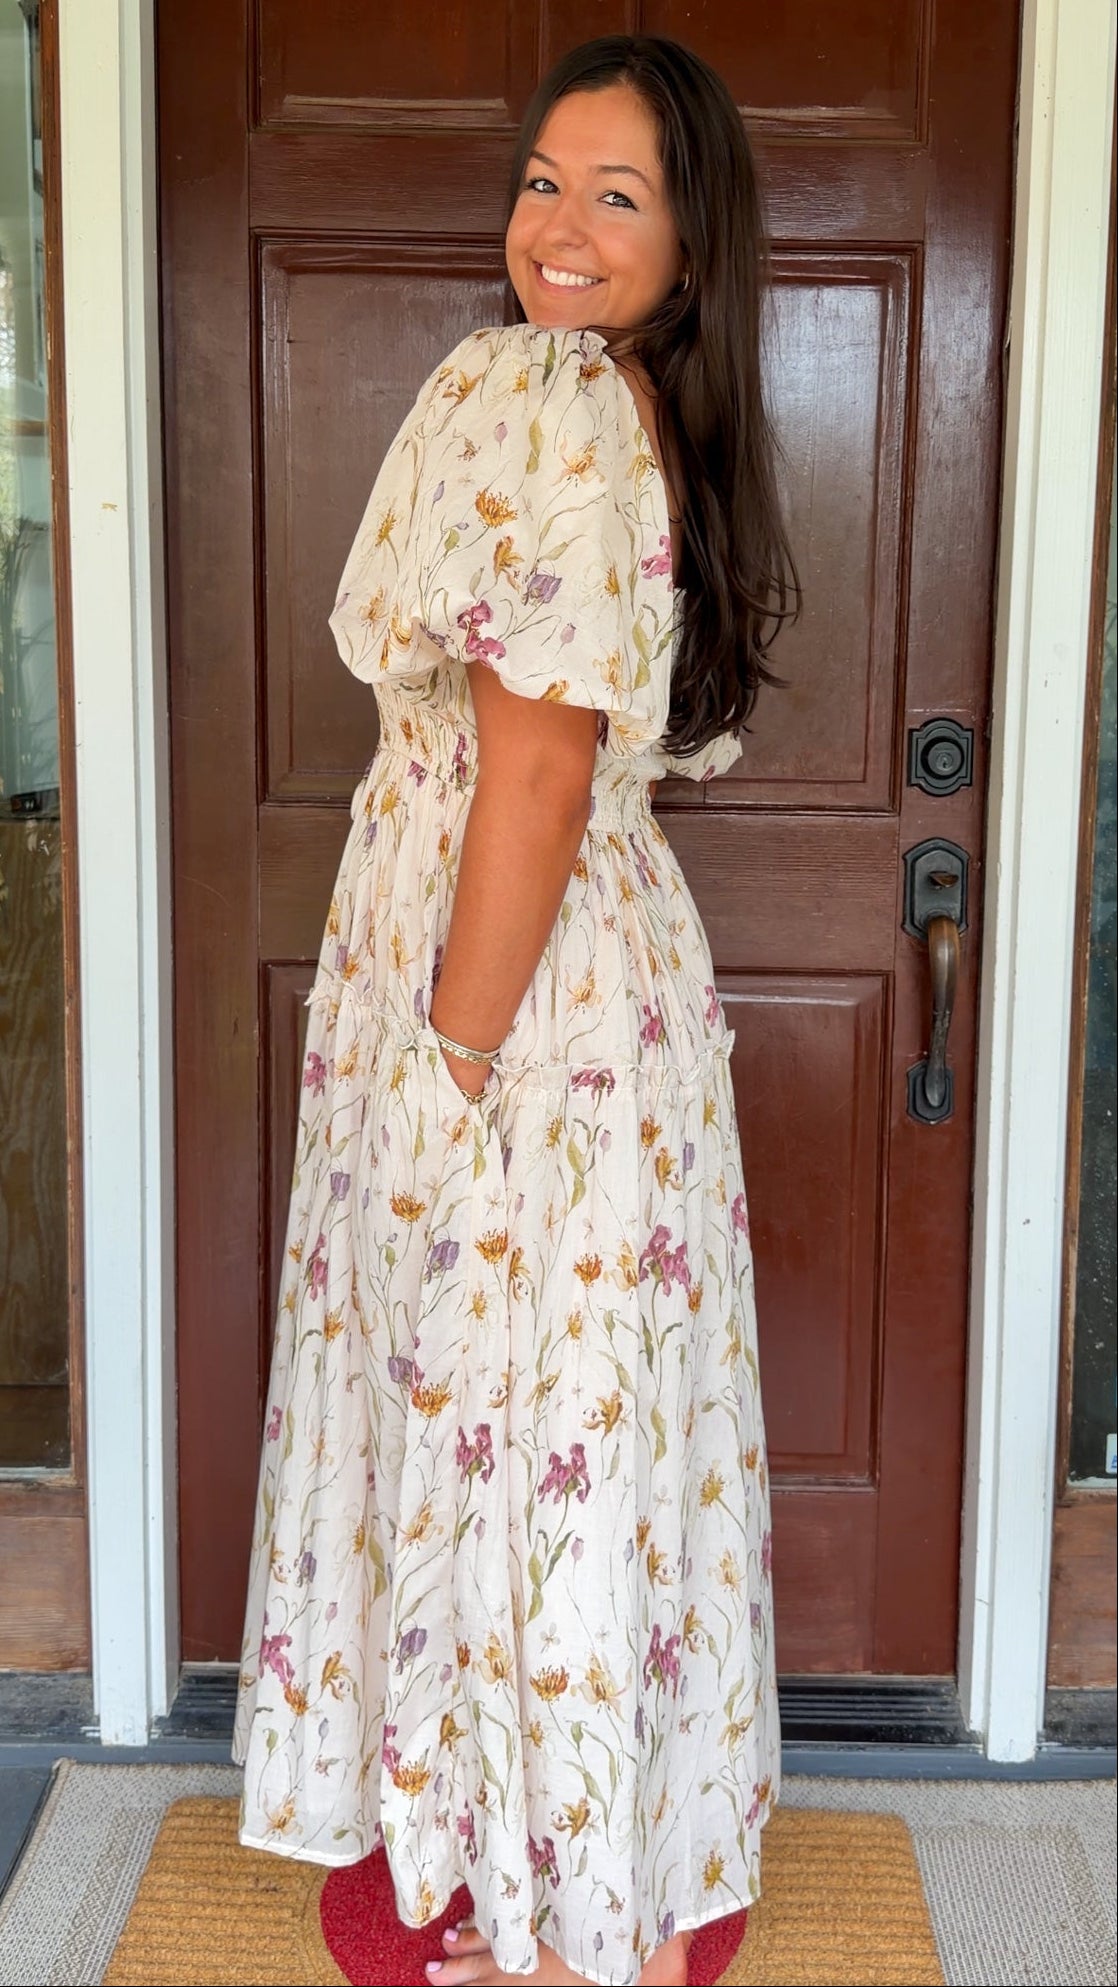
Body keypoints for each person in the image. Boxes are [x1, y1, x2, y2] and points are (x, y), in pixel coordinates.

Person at [233, 32, 797, 1987]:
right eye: (543, 179)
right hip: (604, 984)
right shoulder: (640, 413)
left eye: (617, 196)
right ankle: (582, 1852)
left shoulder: (539, 392)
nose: (558, 225)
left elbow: (537, 774)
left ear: (691, 244)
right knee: (577, 1415)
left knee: (496, 1408)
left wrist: (447, 1065)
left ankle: (539, 1912)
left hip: (514, 988)